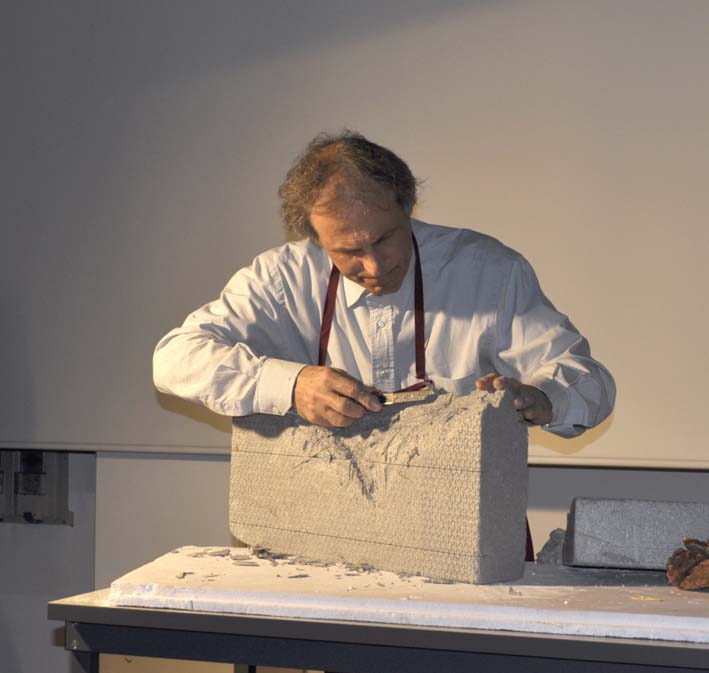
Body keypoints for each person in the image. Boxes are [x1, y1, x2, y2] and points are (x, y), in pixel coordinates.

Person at [153, 130, 615, 440]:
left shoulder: (487, 271)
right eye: (348, 251)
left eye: (384, 239)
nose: (374, 265)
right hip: (326, 524)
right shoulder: (281, 278)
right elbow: (173, 359)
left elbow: (588, 378)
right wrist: (290, 384)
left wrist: (540, 397)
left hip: (460, 524)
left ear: (407, 207)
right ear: (315, 239)